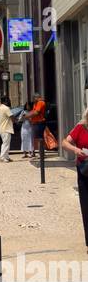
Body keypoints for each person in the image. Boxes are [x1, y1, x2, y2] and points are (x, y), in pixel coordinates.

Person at [60, 105, 88, 254]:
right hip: (85, 170)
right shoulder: (80, 128)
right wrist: (76, 150)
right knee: (86, 205)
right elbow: (64, 143)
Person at [27, 94, 47, 165]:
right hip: (36, 123)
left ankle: (41, 154)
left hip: (39, 123)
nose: (33, 99)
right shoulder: (36, 104)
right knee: (38, 139)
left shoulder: (40, 102)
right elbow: (33, 111)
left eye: (33, 98)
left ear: (37, 97)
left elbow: (36, 112)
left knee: (40, 139)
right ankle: (40, 153)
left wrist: (27, 116)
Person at [0, 95, 14, 162]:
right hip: (6, 128)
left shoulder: (0, 108)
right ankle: (3, 157)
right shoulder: (6, 108)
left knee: (6, 143)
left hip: (2, 128)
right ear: (5, 101)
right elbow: (11, 116)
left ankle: (6, 156)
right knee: (5, 144)